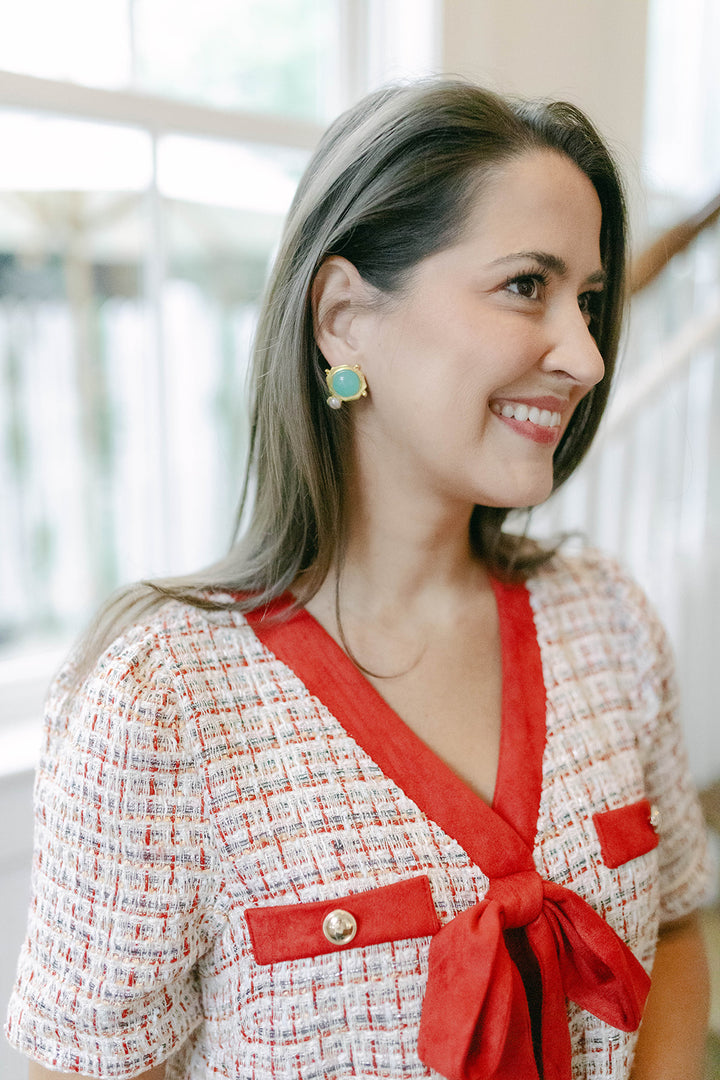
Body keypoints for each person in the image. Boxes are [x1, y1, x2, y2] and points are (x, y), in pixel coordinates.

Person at [6, 78, 712, 1080]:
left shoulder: (609, 621)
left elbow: (679, 922)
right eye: (527, 286)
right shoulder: (164, 703)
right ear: (343, 317)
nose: (587, 355)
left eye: (589, 302)